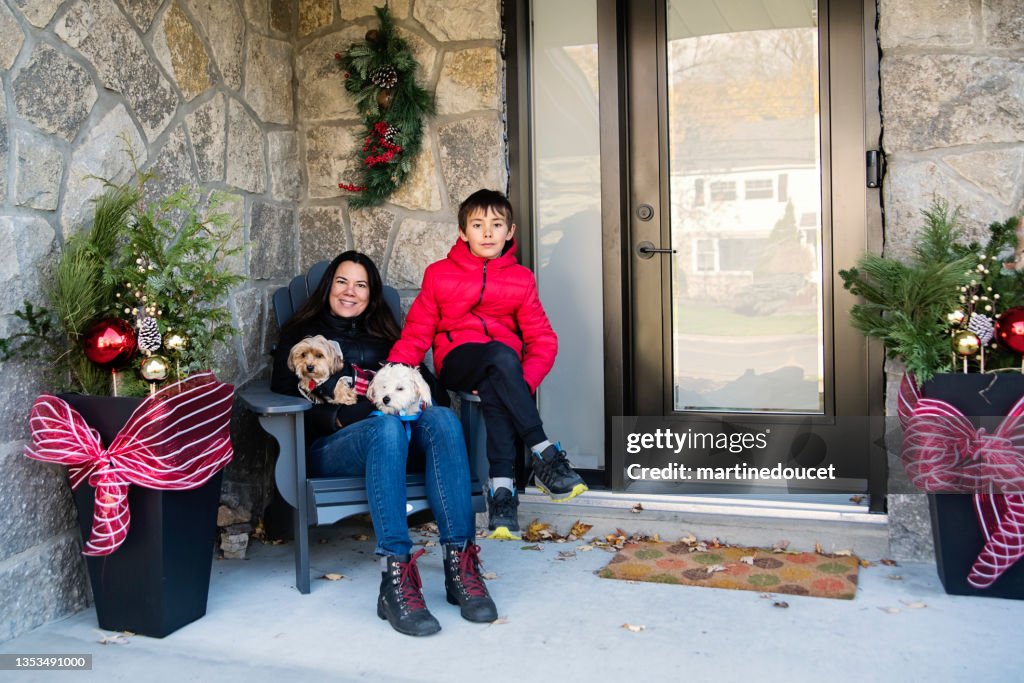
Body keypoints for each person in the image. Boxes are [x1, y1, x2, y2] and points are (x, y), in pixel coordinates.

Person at [271, 250, 496, 637]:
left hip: (396, 440)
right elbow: (281, 392)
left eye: (360, 285)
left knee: (441, 417)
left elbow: (431, 392)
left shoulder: (391, 338)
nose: (349, 292)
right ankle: (396, 578)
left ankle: (461, 567)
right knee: (387, 429)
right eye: (342, 282)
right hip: (333, 446)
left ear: (371, 294)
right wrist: (338, 416)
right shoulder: (302, 336)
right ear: (328, 287)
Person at [387, 189, 588, 539]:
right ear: (463, 232)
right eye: (478, 225)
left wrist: (518, 385)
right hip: (458, 360)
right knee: (501, 356)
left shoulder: (521, 279)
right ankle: (543, 451)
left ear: (510, 232)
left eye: (497, 225)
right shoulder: (439, 274)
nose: (488, 233)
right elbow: (418, 331)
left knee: (499, 377)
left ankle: (502, 493)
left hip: (502, 370)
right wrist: (392, 372)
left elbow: (543, 339)